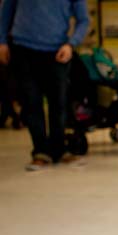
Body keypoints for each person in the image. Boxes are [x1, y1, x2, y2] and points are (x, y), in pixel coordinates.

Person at [0, 0, 90, 170]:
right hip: (23, 48)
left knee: (59, 103)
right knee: (31, 102)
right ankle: (40, 152)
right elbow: (6, 11)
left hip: (58, 51)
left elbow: (83, 20)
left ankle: (59, 149)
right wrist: (2, 41)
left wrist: (71, 44)